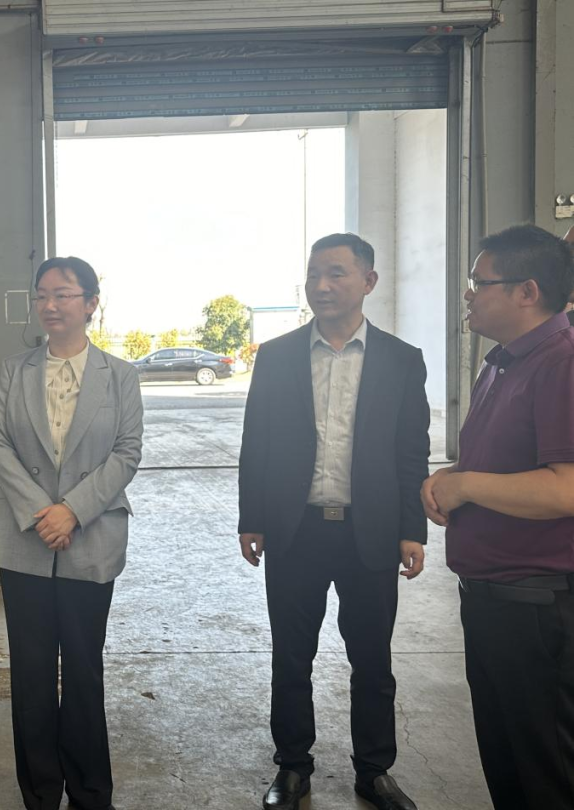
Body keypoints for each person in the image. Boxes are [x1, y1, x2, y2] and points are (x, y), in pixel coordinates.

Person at [238, 234, 430, 810]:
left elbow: (411, 452)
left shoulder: (401, 360)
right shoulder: (277, 357)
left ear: (368, 281)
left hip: (369, 533)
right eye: (314, 274)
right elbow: (256, 442)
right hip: (295, 530)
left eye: (337, 273)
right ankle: (292, 767)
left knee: (372, 660)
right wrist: (252, 518)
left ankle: (374, 770)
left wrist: (412, 528)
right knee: (291, 657)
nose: (322, 286)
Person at [421, 224, 574, 810]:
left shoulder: (560, 363)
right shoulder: (502, 363)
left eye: (478, 282)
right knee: (507, 763)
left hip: (535, 606)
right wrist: (452, 477)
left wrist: (465, 486)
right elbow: (501, 462)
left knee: (545, 773)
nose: (468, 294)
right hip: (492, 599)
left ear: (526, 291)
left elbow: (565, 487)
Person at [0, 257, 143, 810]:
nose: (50, 306)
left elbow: (127, 452)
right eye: (42, 295)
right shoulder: (14, 371)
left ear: (91, 303)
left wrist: (73, 510)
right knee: (31, 673)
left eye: (63, 294)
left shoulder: (119, 376)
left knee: (82, 668)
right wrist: (42, 512)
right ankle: (39, 792)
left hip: (90, 538)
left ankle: (90, 791)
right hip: (24, 540)